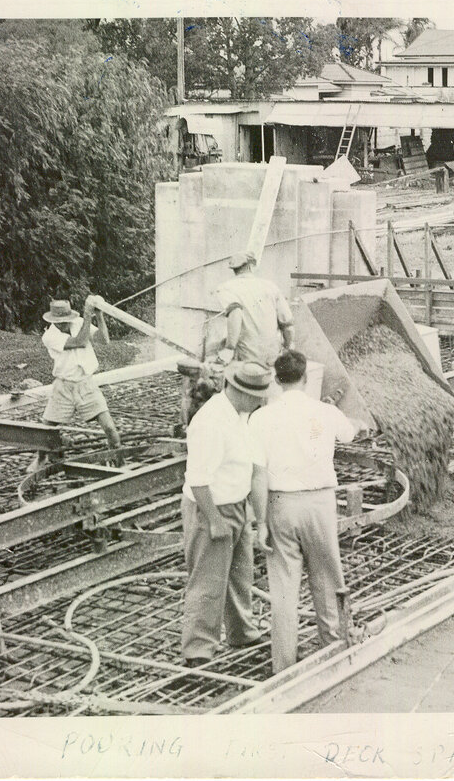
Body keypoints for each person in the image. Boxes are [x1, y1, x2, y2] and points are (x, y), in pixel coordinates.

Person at [247, 350, 359, 674]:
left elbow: (257, 475)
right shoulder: (325, 411)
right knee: (327, 579)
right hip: (321, 503)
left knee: (283, 590)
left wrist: (260, 523)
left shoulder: (261, 417)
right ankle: (336, 650)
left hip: (281, 504)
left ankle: (283, 668)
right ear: (306, 379)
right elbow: (350, 433)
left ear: (276, 380)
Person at [180, 361, 272, 665]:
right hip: (211, 507)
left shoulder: (239, 414)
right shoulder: (211, 422)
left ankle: (241, 631)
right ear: (239, 391)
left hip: (235, 503)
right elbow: (198, 479)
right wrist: (216, 521)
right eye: (256, 395)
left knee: (238, 573)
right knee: (208, 581)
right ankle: (198, 650)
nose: (260, 401)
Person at [30, 298, 122, 472]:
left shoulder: (78, 322)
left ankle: (118, 458)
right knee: (47, 428)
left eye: (66, 319)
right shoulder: (49, 336)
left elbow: (104, 340)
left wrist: (99, 315)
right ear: (53, 321)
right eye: (60, 321)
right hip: (63, 386)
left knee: (109, 427)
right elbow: (80, 342)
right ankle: (40, 458)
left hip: (86, 384)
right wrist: (88, 315)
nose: (65, 323)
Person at [214, 250, 295, 367]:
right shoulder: (271, 286)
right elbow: (287, 325)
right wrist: (287, 348)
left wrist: (229, 348)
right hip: (272, 358)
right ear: (252, 267)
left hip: (246, 360)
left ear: (233, 269)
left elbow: (235, 313)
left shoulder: (226, 288)